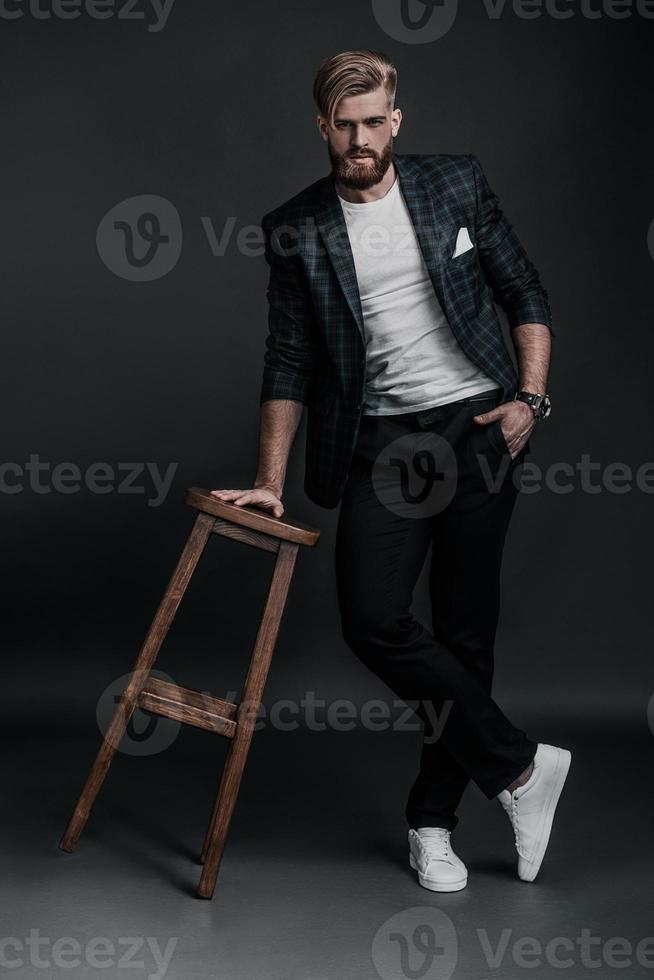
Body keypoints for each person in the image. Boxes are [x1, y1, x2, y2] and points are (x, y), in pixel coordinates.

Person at [211, 49, 571, 891]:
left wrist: (530, 398)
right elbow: (289, 361)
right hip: (380, 445)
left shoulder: (456, 184)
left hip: (478, 430)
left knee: (463, 633)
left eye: (374, 122)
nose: (360, 139)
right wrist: (269, 475)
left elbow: (525, 290)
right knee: (374, 618)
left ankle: (432, 823)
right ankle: (519, 768)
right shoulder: (296, 227)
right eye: (344, 125)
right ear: (321, 126)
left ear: (396, 121)